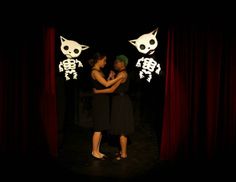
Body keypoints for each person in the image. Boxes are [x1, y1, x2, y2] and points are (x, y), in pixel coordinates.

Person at [94, 54, 134, 160]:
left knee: (122, 128)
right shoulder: (120, 74)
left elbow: (111, 89)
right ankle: (122, 151)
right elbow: (115, 87)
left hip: (122, 102)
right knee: (121, 126)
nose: (114, 64)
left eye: (117, 62)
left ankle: (124, 154)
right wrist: (112, 77)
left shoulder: (122, 74)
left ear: (122, 63)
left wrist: (98, 91)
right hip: (119, 100)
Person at [89, 52, 124, 160]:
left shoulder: (99, 71)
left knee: (101, 128)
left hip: (102, 100)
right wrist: (119, 78)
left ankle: (97, 151)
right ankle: (94, 151)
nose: (105, 62)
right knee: (98, 128)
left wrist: (110, 77)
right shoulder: (95, 72)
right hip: (98, 101)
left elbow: (105, 83)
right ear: (99, 60)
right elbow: (106, 85)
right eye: (104, 60)